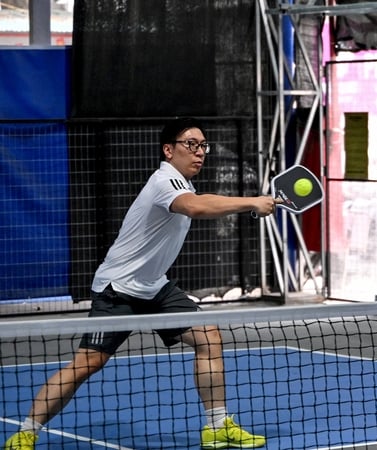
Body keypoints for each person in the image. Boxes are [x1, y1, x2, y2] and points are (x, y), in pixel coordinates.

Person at [3, 118, 278, 450]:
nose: (200, 152)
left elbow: (197, 202)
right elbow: (195, 207)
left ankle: (217, 427)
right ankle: (26, 433)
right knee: (88, 363)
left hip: (153, 287)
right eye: (191, 144)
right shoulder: (165, 182)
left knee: (209, 337)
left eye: (203, 145)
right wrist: (251, 202)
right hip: (117, 288)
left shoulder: (182, 184)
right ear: (168, 150)